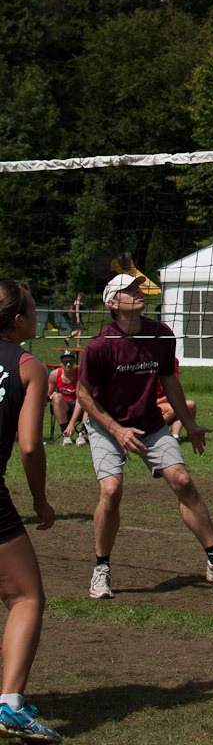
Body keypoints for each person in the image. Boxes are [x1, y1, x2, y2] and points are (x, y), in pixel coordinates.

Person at [76, 273, 213, 599]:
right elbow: (83, 395)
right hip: (106, 425)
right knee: (111, 491)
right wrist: (116, 430)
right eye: (128, 290)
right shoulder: (100, 344)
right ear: (112, 303)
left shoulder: (160, 334)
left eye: (137, 287)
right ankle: (101, 568)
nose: (137, 292)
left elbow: (169, 381)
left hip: (150, 423)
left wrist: (190, 424)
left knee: (182, 481)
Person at [0, 280, 60, 743]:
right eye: (34, 311)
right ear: (17, 319)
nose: (38, 318)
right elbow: (30, 445)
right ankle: (11, 706)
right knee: (25, 597)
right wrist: (40, 500)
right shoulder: (28, 367)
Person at [48, 347, 88, 446]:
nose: (68, 364)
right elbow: (49, 394)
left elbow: (82, 397)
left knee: (85, 398)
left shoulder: (80, 374)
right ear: (61, 363)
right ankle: (66, 434)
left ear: (74, 362)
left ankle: (82, 434)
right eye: (65, 362)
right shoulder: (54, 374)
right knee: (57, 397)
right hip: (64, 406)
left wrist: (72, 423)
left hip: (80, 405)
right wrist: (52, 395)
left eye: (70, 361)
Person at [156, 358, 197, 442]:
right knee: (172, 408)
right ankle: (152, 433)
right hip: (155, 403)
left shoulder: (173, 360)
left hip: (168, 401)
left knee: (190, 405)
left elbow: (175, 386)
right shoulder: (150, 364)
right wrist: (167, 397)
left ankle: (176, 435)